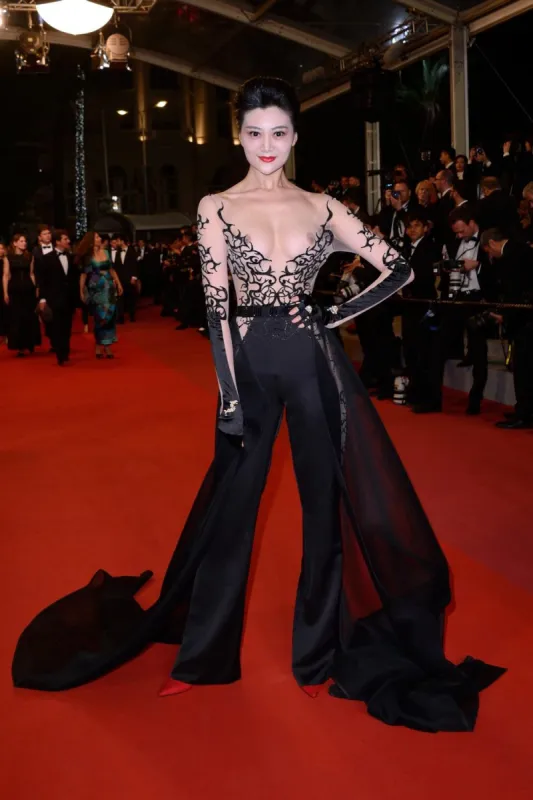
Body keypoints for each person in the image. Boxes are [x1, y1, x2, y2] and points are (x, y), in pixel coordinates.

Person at [12, 77, 503, 733]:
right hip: (249, 367)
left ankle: (317, 656)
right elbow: (217, 306)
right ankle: (202, 657)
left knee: (323, 513)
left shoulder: (323, 207)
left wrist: (332, 311)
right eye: (253, 133)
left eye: (278, 133)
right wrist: (228, 390)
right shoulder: (216, 207)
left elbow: (399, 267)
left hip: (314, 366)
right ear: (238, 136)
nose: (265, 145)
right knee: (230, 515)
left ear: (293, 136)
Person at [481, 229, 533, 429]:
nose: (490, 256)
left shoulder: (512, 256)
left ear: (492, 243)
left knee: (524, 369)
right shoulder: (521, 249)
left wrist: (505, 316)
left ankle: (524, 414)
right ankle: (524, 409)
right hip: (525, 318)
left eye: (488, 251)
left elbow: (515, 293)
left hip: (524, 321)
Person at [78, 231, 123, 359]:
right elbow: (84, 274)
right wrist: (81, 290)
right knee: (100, 318)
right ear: (91, 240)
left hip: (109, 288)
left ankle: (107, 345)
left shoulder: (106, 252)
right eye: (96, 237)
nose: (99, 239)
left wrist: (119, 284)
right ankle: (98, 344)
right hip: (96, 289)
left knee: (111, 316)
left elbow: (112, 270)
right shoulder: (88, 256)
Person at [37, 230, 78, 366]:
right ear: (58, 241)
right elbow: (42, 281)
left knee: (67, 327)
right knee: (57, 326)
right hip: (54, 298)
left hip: (69, 298)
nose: (68, 241)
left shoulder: (71, 257)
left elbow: (73, 279)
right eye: (65, 239)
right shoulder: (47, 258)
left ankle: (65, 351)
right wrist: (42, 299)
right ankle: (60, 353)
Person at [2, 234, 41, 357]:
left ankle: (29, 343)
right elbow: (6, 275)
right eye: (21, 241)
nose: (24, 243)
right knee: (17, 318)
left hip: (28, 290)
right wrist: (5, 292)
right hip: (15, 290)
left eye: (25, 241)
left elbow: (32, 274)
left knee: (29, 317)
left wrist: (36, 289)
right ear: (15, 243)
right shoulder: (8, 257)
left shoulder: (30, 256)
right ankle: (20, 346)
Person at [111, 234, 139, 323]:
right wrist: (115, 279)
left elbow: (135, 265)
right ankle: (120, 317)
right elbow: (116, 267)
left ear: (122, 241)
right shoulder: (118, 252)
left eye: (118, 241)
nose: (117, 243)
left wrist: (134, 277)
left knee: (131, 297)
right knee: (120, 298)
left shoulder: (132, 250)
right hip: (120, 278)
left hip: (130, 278)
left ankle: (132, 315)